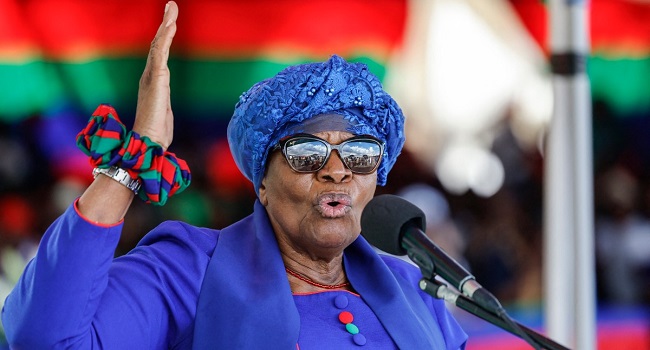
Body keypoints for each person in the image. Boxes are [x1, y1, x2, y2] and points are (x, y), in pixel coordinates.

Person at [1, 2, 467, 349]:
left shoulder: (415, 292)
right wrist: (133, 158)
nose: (336, 171)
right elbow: (44, 338)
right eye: (307, 153)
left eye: (361, 154)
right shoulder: (189, 270)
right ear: (261, 182)